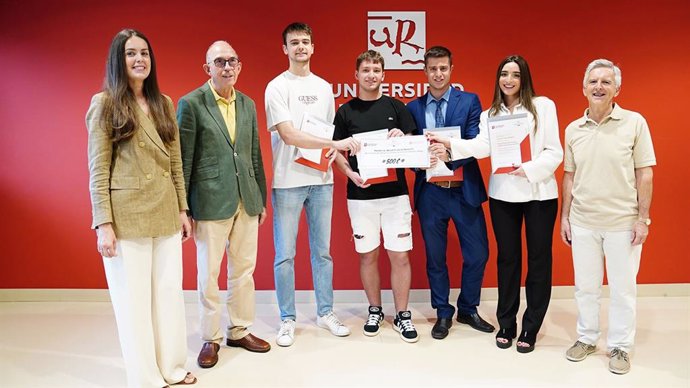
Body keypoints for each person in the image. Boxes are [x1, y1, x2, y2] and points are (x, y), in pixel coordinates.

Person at [428, 55, 563, 352]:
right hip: (504, 194)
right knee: (508, 260)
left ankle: (530, 327)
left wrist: (527, 169)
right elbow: (481, 146)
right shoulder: (491, 113)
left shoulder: (543, 106)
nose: (509, 80)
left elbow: (555, 152)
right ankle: (507, 323)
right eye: (504, 74)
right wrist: (449, 144)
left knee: (539, 261)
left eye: (515, 74)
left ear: (524, 78)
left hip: (539, 192)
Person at [86, 29, 196, 387]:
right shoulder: (104, 103)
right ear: (118, 60)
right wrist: (103, 222)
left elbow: (176, 163)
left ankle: (173, 369)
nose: (139, 60)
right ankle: (146, 378)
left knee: (168, 297)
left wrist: (183, 209)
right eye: (131, 53)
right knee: (133, 303)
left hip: (165, 211)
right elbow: (98, 168)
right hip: (126, 214)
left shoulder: (164, 102)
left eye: (145, 53)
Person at [264, 22, 360, 347]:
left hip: (321, 180)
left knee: (323, 253)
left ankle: (325, 312)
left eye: (305, 42)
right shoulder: (276, 87)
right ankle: (287, 319)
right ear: (285, 49)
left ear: (313, 47)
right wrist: (333, 141)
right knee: (285, 255)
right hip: (287, 182)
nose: (300, 47)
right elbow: (289, 134)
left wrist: (334, 146)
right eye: (294, 43)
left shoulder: (324, 88)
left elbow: (327, 135)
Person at [177, 41, 270, 369]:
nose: (226, 67)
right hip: (209, 201)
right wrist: (183, 208)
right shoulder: (191, 103)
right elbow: (183, 158)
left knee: (244, 271)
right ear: (208, 68)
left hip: (246, 200)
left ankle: (239, 329)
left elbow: (254, 153)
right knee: (209, 274)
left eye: (232, 61)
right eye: (219, 62)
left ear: (239, 66)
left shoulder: (247, 103)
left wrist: (260, 197)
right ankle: (210, 337)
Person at [560, 59, 655, 374]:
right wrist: (565, 217)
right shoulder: (573, 129)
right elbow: (569, 176)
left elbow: (645, 174)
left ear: (617, 89)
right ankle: (587, 338)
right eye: (593, 82)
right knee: (585, 287)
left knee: (622, 289)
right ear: (584, 88)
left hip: (622, 223)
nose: (599, 87)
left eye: (606, 82)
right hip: (584, 222)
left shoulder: (634, 123)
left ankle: (620, 347)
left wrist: (643, 218)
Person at [332, 50, 420, 343]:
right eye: (366, 70)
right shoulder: (345, 112)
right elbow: (336, 154)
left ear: (384, 75)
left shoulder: (397, 106)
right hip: (360, 195)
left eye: (376, 70)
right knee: (368, 255)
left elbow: (414, 146)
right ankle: (375, 310)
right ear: (356, 75)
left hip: (395, 195)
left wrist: (403, 140)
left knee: (400, 255)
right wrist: (351, 174)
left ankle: (403, 315)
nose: (371, 75)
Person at [406, 46, 493, 340]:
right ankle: (443, 312)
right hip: (431, 194)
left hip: (463, 190)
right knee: (435, 258)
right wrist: (419, 160)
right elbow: (408, 153)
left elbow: (475, 142)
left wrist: (447, 155)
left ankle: (468, 308)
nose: (438, 74)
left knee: (478, 254)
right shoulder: (413, 108)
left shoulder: (469, 102)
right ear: (425, 71)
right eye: (432, 69)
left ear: (451, 69)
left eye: (443, 68)